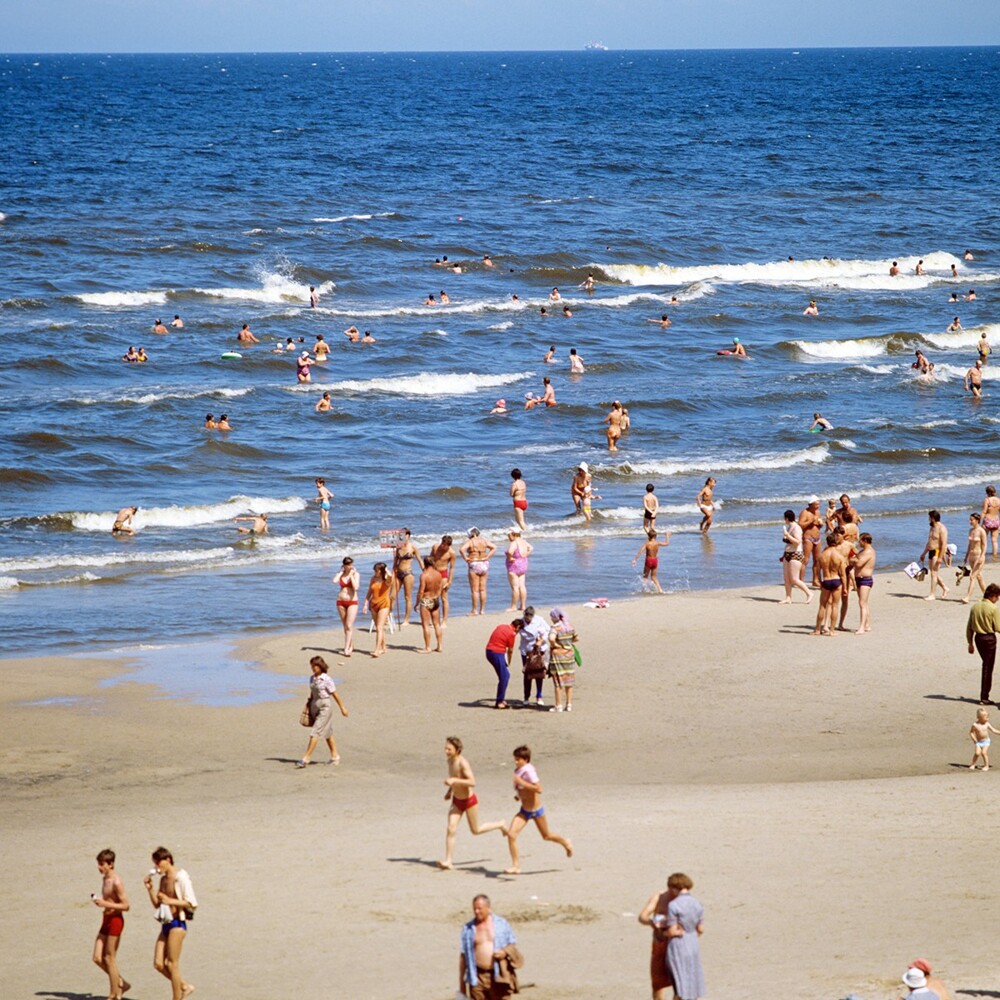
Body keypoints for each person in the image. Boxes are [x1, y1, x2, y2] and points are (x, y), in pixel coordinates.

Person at [439, 738, 508, 870]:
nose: (446, 751)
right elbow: (455, 778)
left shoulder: (463, 763)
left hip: (469, 801)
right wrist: (450, 791)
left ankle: (500, 824)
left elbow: (472, 782)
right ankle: (448, 860)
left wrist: (454, 780)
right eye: (445, 748)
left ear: (457, 750)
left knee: (475, 830)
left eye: (449, 749)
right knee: (451, 828)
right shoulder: (449, 761)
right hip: (457, 801)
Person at [504, 745, 573, 874]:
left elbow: (539, 789)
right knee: (511, 834)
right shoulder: (518, 771)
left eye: (518, 759)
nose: (516, 761)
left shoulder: (529, 771)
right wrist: (518, 795)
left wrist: (522, 782)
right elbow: (521, 787)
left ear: (526, 759)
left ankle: (565, 842)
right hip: (524, 810)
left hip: (536, 810)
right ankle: (516, 866)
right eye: (515, 759)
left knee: (546, 836)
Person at [144, 846, 197, 1000]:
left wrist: (169, 900)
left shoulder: (181, 878)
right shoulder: (162, 880)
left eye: (158, 863)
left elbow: (191, 903)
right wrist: (150, 890)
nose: (156, 867)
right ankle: (185, 986)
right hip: (166, 924)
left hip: (178, 924)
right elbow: (157, 905)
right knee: (159, 964)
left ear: (167, 860)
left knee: (172, 964)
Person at [458, 894, 518, 999]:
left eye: (479, 908)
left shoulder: (501, 924)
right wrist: (462, 984)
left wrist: (504, 952)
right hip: (477, 977)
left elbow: (512, 944)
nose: (476, 912)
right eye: (474, 909)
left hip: (498, 975)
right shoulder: (468, 929)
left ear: (488, 907)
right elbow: (463, 956)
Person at [296, 655, 349, 767]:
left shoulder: (326, 679)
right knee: (327, 732)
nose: (314, 668)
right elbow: (312, 693)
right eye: (312, 666)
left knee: (315, 732)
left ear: (321, 666)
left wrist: (342, 707)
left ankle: (306, 758)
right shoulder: (311, 678)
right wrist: (309, 705)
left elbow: (334, 694)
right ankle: (335, 756)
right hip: (314, 705)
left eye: (316, 666)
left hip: (325, 706)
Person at [92, 848, 131, 1000]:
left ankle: (114, 994)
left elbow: (126, 906)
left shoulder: (117, 881)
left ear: (111, 864)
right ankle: (121, 982)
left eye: (102, 864)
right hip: (106, 920)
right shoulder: (105, 879)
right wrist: (101, 902)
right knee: (97, 957)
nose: (99, 867)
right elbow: (109, 900)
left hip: (116, 920)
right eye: (98, 863)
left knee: (109, 958)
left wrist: (105, 903)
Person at [664, 872, 706, 1000]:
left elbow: (672, 931)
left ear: (673, 888)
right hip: (692, 942)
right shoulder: (698, 904)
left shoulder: (674, 905)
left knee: (680, 982)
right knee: (693, 980)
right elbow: (701, 929)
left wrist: (663, 932)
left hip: (678, 945)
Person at [637, 878, 675, 1000]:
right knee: (658, 983)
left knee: (681, 984)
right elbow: (643, 916)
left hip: (678, 945)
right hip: (660, 944)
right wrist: (652, 922)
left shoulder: (685, 901)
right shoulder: (659, 897)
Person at [967, 582, 1000, 705]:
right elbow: (998, 627)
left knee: (985, 665)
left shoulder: (975, 607)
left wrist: (970, 643)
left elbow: (969, 627)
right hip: (989, 639)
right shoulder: (993, 608)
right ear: (992, 596)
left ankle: (984, 696)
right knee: (988, 667)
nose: (998, 599)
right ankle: (984, 697)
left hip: (978, 638)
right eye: (997, 597)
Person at [812, 533, 847, 635]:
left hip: (827, 580)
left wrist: (819, 581)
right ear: (836, 542)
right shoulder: (840, 556)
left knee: (822, 606)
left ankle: (818, 629)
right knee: (835, 606)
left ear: (826, 542)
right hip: (836, 580)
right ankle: (832, 630)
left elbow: (817, 571)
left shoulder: (822, 556)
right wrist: (845, 587)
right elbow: (843, 574)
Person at [485, 618, 522, 710]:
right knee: (504, 676)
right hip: (496, 653)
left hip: (489, 651)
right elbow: (510, 651)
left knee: (505, 675)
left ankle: (501, 699)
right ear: (518, 627)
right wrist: (509, 662)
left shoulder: (501, 626)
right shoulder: (511, 634)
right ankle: (499, 701)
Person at [547, 608, 578, 712]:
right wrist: (567, 643)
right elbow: (576, 638)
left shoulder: (555, 627)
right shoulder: (570, 626)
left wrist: (555, 645)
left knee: (558, 681)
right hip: (569, 655)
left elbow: (551, 638)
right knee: (569, 680)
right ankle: (569, 704)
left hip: (558, 656)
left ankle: (558, 705)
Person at [460, 527, 496, 616]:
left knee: (475, 590)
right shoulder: (484, 540)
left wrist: (466, 558)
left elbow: (461, 550)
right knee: (483, 589)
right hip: (484, 563)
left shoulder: (470, 542)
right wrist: (488, 556)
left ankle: (474, 610)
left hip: (475, 563)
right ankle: (482, 610)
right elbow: (494, 547)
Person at [518, 606, 549, 707]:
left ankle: (539, 696)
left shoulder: (540, 620)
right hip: (526, 650)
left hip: (539, 650)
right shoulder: (521, 622)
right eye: (526, 617)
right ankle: (526, 696)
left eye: (529, 618)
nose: (527, 619)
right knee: (527, 674)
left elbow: (548, 631)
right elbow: (515, 630)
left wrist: (541, 640)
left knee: (539, 672)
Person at [780, 509, 812, 604]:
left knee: (794, 579)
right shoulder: (790, 527)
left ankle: (809, 593)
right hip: (787, 554)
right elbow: (789, 544)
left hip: (796, 554)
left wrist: (787, 535)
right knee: (786, 577)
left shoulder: (797, 528)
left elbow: (797, 542)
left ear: (786, 518)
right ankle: (788, 597)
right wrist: (783, 556)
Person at [362, 562, 392, 657]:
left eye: (377, 570)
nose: (375, 572)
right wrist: (365, 604)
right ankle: (384, 647)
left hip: (384, 604)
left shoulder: (387, 580)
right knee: (378, 627)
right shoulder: (373, 579)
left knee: (379, 627)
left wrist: (386, 570)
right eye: (374, 570)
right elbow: (369, 591)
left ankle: (377, 650)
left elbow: (390, 576)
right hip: (373, 604)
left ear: (381, 571)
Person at [919, 510, 949, 600]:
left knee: (934, 573)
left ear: (933, 518)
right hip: (931, 551)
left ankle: (932, 594)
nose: (928, 519)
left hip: (937, 551)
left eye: (929, 517)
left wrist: (940, 557)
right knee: (933, 573)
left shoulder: (942, 528)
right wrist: (924, 553)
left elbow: (944, 544)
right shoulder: (932, 528)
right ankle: (945, 588)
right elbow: (930, 541)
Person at [393, 528, 420, 625]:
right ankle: (388, 617)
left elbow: (420, 561)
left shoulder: (413, 547)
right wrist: (393, 574)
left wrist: (426, 572)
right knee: (392, 596)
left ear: (408, 536)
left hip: (408, 573)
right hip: (398, 573)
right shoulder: (398, 547)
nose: (402, 536)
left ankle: (406, 620)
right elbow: (395, 562)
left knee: (407, 597)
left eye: (404, 534)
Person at [417, 557, 444, 653]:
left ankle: (428, 647)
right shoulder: (438, 574)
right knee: (437, 624)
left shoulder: (424, 575)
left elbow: (421, 591)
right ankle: (440, 645)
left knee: (426, 625)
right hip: (435, 599)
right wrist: (437, 596)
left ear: (425, 564)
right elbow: (440, 587)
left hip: (426, 600)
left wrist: (417, 603)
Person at [334, 556, 360, 656]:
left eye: (351, 564)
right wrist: (341, 572)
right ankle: (351, 645)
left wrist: (352, 576)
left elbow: (356, 587)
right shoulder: (341, 574)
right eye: (347, 564)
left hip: (352, 601)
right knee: (345, 626)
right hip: (340, 601)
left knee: (349, 625)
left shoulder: (356, 574)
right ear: (344, 565)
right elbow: (334, 581)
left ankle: (346, 648)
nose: (350, 566)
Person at [961, 513, 987, 603]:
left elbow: (984, 545)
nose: (970, 521)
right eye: (970, 519)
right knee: (979, 577)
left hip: (978, 556)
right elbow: (969, 544)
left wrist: (982, 556)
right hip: (971, 556)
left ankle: (967, 597)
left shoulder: (981, 531)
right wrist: (966, 556)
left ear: (977, 520)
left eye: (972, 520)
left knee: (972, 577)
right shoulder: (971, 530)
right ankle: (988, 596)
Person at [430, 535, 456, 625]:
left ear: (449, 545)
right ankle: (435, 620)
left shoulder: (451, 553)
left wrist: (450, 581)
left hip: (443, 574)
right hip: (433, 573)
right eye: (442, 544)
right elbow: (430, 560)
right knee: (433, 597)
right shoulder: (435, 547)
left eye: (445, 545)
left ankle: (444, 621)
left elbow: (452, 567)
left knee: (444, 598)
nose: (442, 546)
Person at [853, 532, 876, 633]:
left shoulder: (869, 552)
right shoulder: (862, 551)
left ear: (865, 541)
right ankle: (867, 624)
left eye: (860, 541)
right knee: (864, 603)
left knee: (862, 603)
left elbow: (858, 563)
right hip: (858, 579)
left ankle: (862, 627)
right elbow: (855, 559)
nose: (859, 542)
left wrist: (853, 560)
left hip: (865, 579)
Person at [798, 497, 824, 587]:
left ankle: (816, 579)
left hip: (817, 537)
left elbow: (817, 525)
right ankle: (800, 580)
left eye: (818, 504)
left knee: (817, 560)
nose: (818, 506)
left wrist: (820, 525)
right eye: (816, 504)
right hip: (808, 538)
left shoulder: (818, 512)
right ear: (811, 504)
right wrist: (810, 521)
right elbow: (800, 525)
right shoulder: (805, 512)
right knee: (805, 559)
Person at [504, 530, 531, 613]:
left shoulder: (514, 543)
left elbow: (510, 551)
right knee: (522, 586)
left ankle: (513, 606)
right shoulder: (523, 541)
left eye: (509, 535)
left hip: (514, 565)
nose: (508, 537)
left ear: (513, 534)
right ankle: (523, 605)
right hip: (523, 564)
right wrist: (525, 555)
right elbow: (531, 548)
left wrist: (509, 558)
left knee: (515, 587)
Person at [633, 529, 668, 594]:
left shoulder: (647, 544)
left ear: (648, 536)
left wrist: (635, 559)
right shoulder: (658, 543)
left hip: (648, 560)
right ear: (655, 536)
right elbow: (667, 543)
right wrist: (667, 536)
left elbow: (640, 552)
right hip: (655, 560)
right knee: (654, 577)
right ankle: (660, 589)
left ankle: (647, 589)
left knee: (645, 576)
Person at [969, 706, 1000, 771]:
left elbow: (993, 730)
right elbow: (971, 732)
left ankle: (986, 766)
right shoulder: (975, 725)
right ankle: (973, 764)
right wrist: (974, 739)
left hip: (986, 741)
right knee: (977, 753)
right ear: (979, 718)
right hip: (979, 742)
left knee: (983, 753)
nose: (987, 718)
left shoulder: (987, 724)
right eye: (986, 717)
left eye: (988, 717)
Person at [982, 485, 1000, 557]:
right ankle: (995, 555)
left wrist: (980, 522)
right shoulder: (999, 500)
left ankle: (982, 554)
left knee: (984, 539)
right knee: (994, 540)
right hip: (996, 521)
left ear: (987, 492)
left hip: (988, 520)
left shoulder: (987, 500)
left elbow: (984, 511)